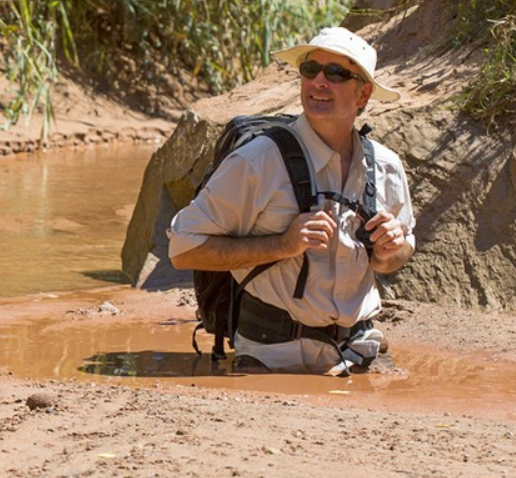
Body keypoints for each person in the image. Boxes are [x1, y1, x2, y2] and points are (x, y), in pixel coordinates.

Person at [167, 27, 416, 375]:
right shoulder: (257, 160)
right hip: (272, 355)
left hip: (360, 350)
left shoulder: (387, 166)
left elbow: (394, 260)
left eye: (336, 73)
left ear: (364, 94)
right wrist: (282, 245)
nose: (319, 82)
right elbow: (183, 250)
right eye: (310, 70)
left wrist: (392, 249)